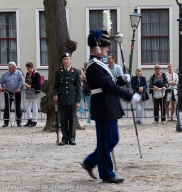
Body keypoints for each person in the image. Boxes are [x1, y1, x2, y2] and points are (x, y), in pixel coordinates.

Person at [81, 30, 141, 183]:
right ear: (98, 47)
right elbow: (107, 85)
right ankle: (107, 174)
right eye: (105, 47)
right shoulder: (94, 66)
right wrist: (129, 96)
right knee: (107, 141)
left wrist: (121, 79)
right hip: (103, 107)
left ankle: (90, 162)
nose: (108, 49)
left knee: (112, 139)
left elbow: (111, 83)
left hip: (109, 106)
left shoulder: (100, 64)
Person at [53, 52, 81, 145]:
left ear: (70, 60)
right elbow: (56, 86)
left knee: (72, 120)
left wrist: (78, 101)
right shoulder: (58, 72)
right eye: (64, 59)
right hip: (62, 99)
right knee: (63, 120)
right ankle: (64, 138)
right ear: (62, 61)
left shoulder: (76, 72)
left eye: (67, 59)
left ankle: (72, 138)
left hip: (72, 100)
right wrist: (55, 94)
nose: (66, 61)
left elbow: (78, 88)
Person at [0, 61, 23, 127]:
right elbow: (0, 82)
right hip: (8, 92)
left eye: (15, 67)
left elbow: (21, 81)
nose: (15, 68)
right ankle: (6, 121)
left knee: (18, 106)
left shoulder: (18, 73)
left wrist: (19, 88)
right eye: (13, 67)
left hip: (17, 92)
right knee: (7, 106)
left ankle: (19, 121)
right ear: (9, 68)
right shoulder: (5, 74)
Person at [22, 62, 41, 127]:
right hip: (28, 91)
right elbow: (27, 80)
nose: (28, 69)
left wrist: (30, 86)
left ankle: (34, 120)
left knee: (34, 105)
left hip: (34, 91)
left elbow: (38, 84)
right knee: (26, 105)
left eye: (29, 68)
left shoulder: (36, 74)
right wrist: (25, 84)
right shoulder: (27, 73)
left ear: (32, 67)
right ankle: (29, 119)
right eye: (27, 68)